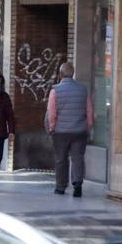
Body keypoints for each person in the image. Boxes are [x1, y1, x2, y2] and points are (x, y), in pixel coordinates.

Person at [46, 62, 93, 198]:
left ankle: (60, 187)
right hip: (80, 131)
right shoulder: (83, 90)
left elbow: (52, 113)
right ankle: (77, 184)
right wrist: (88, 126)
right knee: (78, 158)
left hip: (61, 132)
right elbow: (89, 110)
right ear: (73, 74)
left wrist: (52, 128)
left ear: (60, 74)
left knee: (61, 159)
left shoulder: (55, 91)